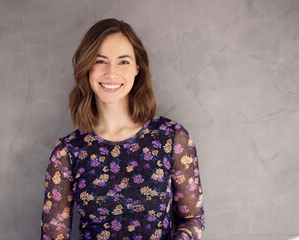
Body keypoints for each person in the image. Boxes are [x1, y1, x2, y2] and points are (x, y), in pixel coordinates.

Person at [40, 18, 205, 240]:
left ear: (138, 68)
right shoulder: (67, 152)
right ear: (87, 67)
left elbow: (192, 220)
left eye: (123, 62)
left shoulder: (172, 138)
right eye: (100, 61)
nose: (111, 72)